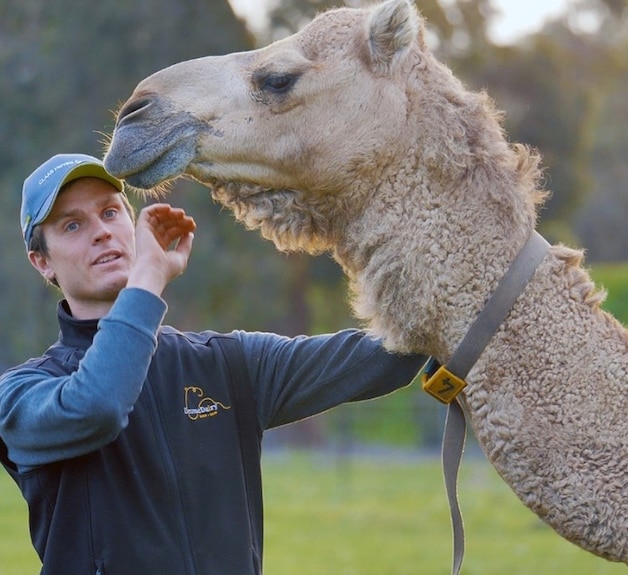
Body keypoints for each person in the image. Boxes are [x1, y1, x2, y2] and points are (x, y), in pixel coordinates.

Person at [0, 153, 427, 575]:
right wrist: (148, 278)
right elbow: (99, 406)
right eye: (72, 225)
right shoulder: (19, 395)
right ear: (42, 261)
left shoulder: (225, 364)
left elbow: (389, 355)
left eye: (111, 212)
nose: (101, 233)